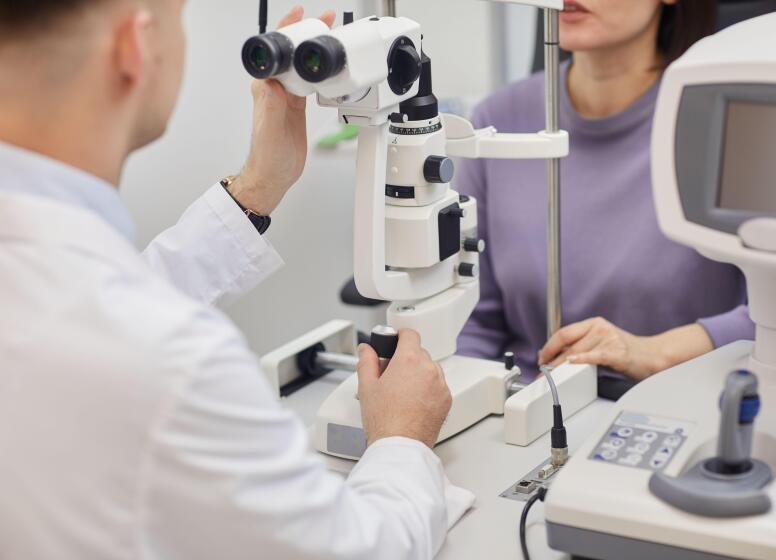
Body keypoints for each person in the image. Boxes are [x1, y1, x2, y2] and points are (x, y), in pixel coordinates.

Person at [0, 2, 461, 559]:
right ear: (135, 47)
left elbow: (87, 309)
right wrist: (402, 440)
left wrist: (259, 184)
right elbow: (360, 551)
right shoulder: (175, 365)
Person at [456, 0, 753, 387]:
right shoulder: (496, 122)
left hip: (685, 411)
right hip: (525, 412)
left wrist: (652, 352)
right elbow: (473, 322)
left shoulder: (736, 123)